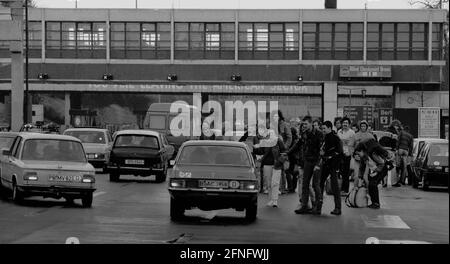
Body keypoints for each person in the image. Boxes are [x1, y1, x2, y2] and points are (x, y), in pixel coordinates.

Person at [295, 116, 323, 215]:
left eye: (306, 124)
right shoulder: (304, 133)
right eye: (303, 124)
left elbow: (321, 150)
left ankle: (318, 207)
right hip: (307, 161)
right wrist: (287, 152)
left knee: (316, 185)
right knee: (305, 184)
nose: (304, 126)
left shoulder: (319, 134)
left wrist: (318, 164)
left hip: (317, 162)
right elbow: (297, 145)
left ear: (311, 123)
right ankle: (304, 206)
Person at [354, 139, 390, 209]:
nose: (358, 156)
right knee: (370, 184)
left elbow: (381, 163)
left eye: (358, 153)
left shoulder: (372, 154)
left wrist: (376, 172)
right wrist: (360, 177)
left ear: (362, 151)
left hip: (382, 169)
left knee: (373, 183)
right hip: (376, 170)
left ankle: (376, 203)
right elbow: (362, 168)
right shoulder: (363, 157)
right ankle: (374, 202)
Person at [254, 131, 286, 207]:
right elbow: (261, 151)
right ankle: (271, 199)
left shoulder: (278, 140)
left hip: (277, 165)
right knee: (269, 183)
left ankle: (275, 201)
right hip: (267, 164)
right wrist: (255, 148)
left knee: (275, 183)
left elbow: (284, 152)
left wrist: (280, 161)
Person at [319, 121, 343, 215]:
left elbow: (340, 152)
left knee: (335, 187)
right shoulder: (324, 137)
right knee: (320, 184)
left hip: (333, 165)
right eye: (322, 128)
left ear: (329, 128)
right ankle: (318, 205)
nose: (323, 130)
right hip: (325, 164)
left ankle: (338, 208)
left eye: (324, 128)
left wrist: (329, 156)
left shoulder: (336, 138)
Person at [272, 110, 292, 194]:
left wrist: (285, 147)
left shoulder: (285, 125)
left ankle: (282, 188)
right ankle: (276, 187)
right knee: (276, 168)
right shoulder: (273, 125)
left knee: (282, 170)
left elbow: (289, 137)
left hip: (282, 150)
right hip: (275, 149)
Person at [337, 117, 355, 195]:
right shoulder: (339, 132)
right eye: (344, 123)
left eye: (346, 123)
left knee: (346, 172)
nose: (345, 124)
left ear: (349, 124)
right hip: (340, 154)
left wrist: (350, 152)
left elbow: (353, 144)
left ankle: (345, 189)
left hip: (348, 154)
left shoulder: (352, 133)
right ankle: (340, 188)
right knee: (340, 171)